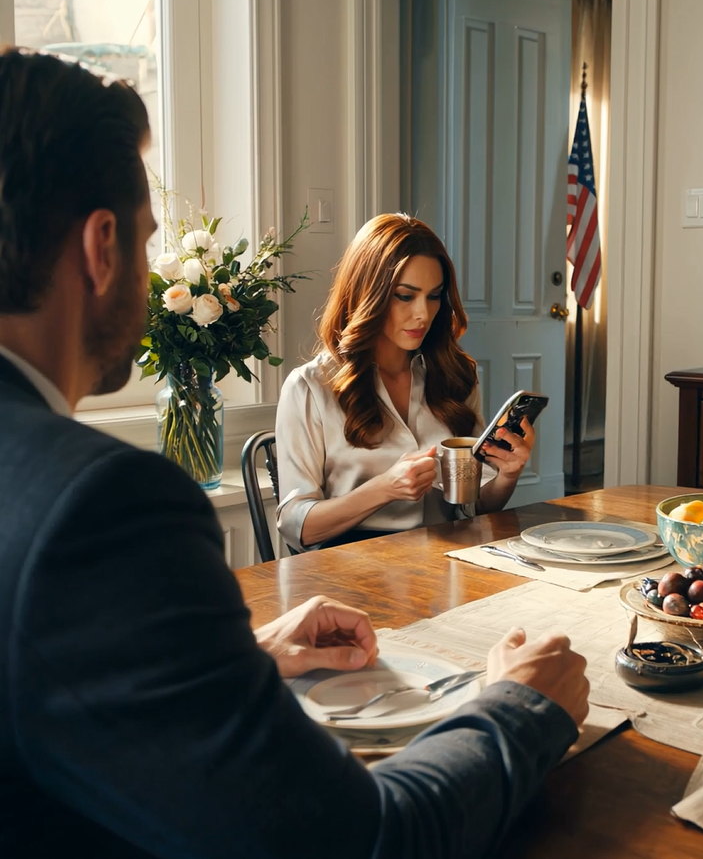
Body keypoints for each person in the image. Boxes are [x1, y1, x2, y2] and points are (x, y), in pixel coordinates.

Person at [0, 47, 590, 857]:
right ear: (102, 248)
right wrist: (520, 707)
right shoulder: (100, 504)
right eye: (143, 245)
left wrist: (245, 655)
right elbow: (359, 839)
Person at [276, 214, 534, 551]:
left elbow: (478, 507)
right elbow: (297, 527)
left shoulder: (456, 376)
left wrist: (507, 475)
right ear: (368, 293)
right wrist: (384, 488)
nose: (423, 314)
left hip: (447, 563)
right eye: (405, 296)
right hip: (353, 572)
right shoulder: (309, 388)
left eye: (434, 296)